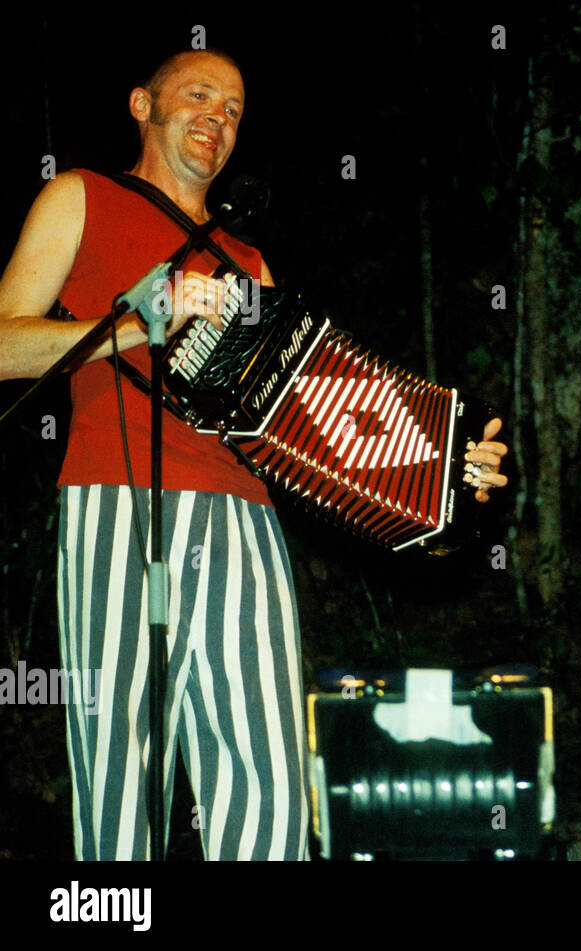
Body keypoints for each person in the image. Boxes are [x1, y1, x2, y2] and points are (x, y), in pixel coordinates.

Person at [0, 50, 508, 860]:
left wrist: (442, 467)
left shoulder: (249, 263)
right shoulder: (82, 195)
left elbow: (317, 420)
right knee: (121, 768)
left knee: (265, 777)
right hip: (117, 498)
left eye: (234, 108)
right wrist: (139, 321)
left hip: (245, 521)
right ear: (143, 103)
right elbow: (4, 344)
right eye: (199, 95)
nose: (219, 116)